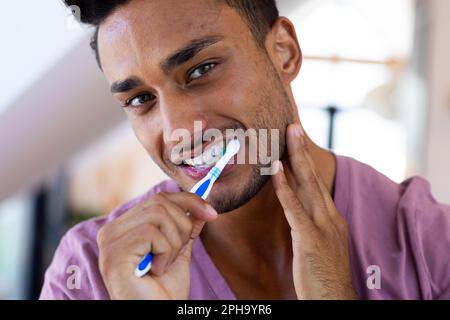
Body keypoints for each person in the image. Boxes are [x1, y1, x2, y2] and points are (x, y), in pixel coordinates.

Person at [40, 0, 450, 299]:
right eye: (139, 99)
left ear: (284, 52)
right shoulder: (89, 275)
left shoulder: (431, 248)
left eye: (201, 69)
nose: (178, 129)